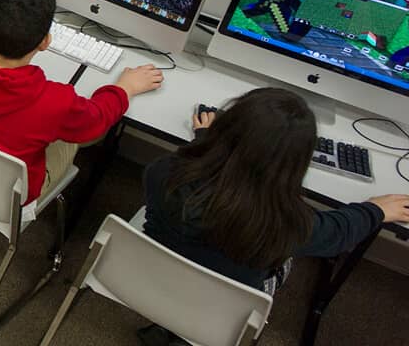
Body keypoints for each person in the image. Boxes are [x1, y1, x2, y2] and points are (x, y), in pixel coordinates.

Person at [0, 0, 164, 203]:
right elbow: (98, 119)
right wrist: (124, 88)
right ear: (45, 42)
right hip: (5, 196)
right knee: (77, 136)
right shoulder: (56, 102)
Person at [144, 88, 409, 292]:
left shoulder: (162, 171)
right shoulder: (286, 226)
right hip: (223, 308)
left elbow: (200, 171)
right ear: (294, 164)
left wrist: (204, 139)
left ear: (225, 129)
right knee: (285, 259)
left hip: (147, 275)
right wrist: (376, 210)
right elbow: (338, 232)